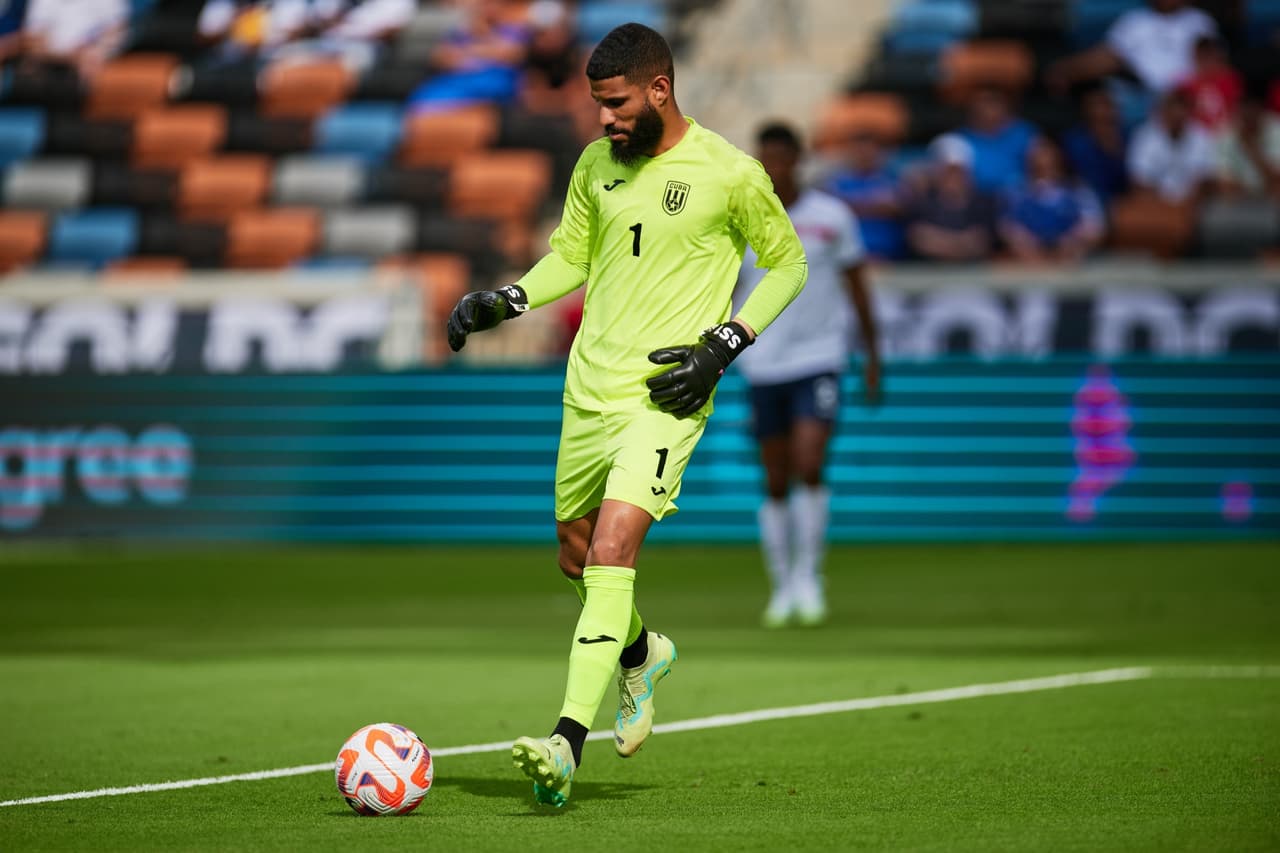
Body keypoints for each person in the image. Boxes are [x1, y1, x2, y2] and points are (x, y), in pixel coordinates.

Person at [445, 23, 806, 807]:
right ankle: (642, 654)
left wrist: (725, 342)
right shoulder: (595, 164)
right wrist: (505, 298)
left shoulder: (728, 172)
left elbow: (789, 263)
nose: (604, 119)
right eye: (598, 105)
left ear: (659, 91)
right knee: (577, 559)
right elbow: (573, 256)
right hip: (588, 390)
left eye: (614, 104)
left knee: (613, 549)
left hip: (665, 395)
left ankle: (565, 741)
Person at [733, 122, 880, 629]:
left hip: (820, 357)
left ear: (799, 159)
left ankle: (809, 576)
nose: (775, 166)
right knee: (775, 478)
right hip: (762, 361)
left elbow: (857, 283)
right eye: (766, 157)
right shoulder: (742, 220)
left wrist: (873, 356)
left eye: (783, 156)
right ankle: (782, 585)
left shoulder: (831, 217)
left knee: (809, 462)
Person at [999, 137, 1106, 263]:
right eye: (1038, 169)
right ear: (1029, 166)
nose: (1045, 173)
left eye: (1050, 167)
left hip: (1070, 249)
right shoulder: (1015, 191)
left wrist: (1072, 238)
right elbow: (1006, 225)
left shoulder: (1078, 190)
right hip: (1029, 251)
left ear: (1060, 164)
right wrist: (1026, 240)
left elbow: (1094, 225)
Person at [904, 134, 998, 262]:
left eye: (958, 171)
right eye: (948, 172)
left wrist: (940, 241)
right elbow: (919, 239)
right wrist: (961, 243)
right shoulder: (921, 202)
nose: (953, 178)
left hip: (974, 274)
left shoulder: (983, 203)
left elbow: (981, 241)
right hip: (928, 273)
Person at [820, 131, 907, 261]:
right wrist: (875, 204)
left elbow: (895, 206)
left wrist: (852, 204)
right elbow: (830, 208)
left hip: (888, 254)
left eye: (869, 151)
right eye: (859, 151)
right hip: (849, 253)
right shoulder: (837, 181)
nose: (864, 155)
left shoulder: (892, 177)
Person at [1127, 87, 1216, 203]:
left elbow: (1206, 178)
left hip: (1193, 204)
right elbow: (1138, 179)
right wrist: (1163, 203)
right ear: (1162, 111)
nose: (1176, 114)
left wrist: (1188, 201)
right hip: (1154, 203)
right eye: (1171, 108)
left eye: (1181, 108)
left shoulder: (1201, 135)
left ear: (1189, 111)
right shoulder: (1144, 136)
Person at [959, 85, 1040, 194]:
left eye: (994, 102)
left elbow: (1044, 166)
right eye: (984, 103)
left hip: (1020, 197)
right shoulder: (960, 138)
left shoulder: (1024, 133)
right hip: (976, 200)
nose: (989, 109)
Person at [1063, 85, 1130, 205]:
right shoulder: (1076, 141)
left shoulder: (1126, 136)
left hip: (1124, 202)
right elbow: (1085, 182)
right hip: (1088, 203)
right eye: (1098, 105)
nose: (1105, 112)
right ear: (1086, 110)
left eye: (1108, 105)